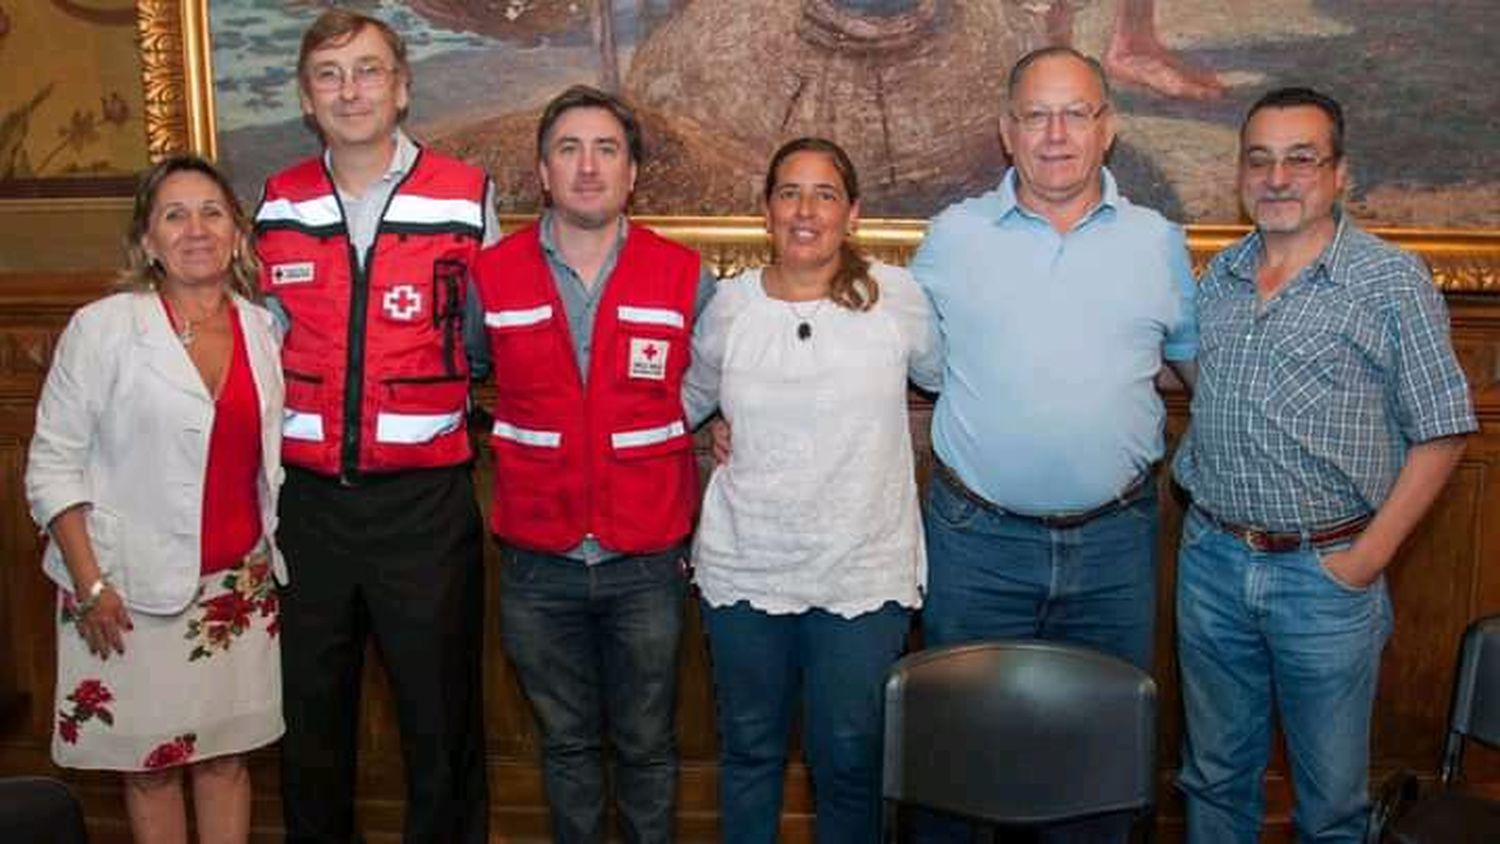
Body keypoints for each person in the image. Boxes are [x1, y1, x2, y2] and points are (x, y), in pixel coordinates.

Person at [1172, 86, 1476, 844]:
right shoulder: (1218, 279)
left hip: (1326, 576)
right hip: (1210, 559)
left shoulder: (1389, 280)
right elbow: (1202, 385)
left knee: (1331, 803)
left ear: (1341, 173)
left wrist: (1364, 561)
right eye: (1260, 160)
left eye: (1301, 159)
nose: (1278, 178)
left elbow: (1443, 431)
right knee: (1213, 781)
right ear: (1241, 174)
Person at [910, 46, 1196, 840]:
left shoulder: (1157, 243)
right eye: (1037, 115)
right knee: (958, 766)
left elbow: (1201, 379)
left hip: (1114, 548)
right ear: (1008, 132)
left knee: (1098, 770)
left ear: (1107, 127)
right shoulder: (951, 239)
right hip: (977, 547)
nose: (1056, 134)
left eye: (1076, 113)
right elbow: (879, 356)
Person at [252, 9, 499, 842]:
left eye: (367, 70)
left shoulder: (467, 196)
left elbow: (496, 340)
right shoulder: (276, 202)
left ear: (401, 88)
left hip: (424, 506)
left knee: (441, 720)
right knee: (311, 725)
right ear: (306, 95)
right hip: (307, 506)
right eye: (329, 73)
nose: (349, 89)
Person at [472, 84, 715, 844]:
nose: (587, 166)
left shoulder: (685, 276)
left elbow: (711, 381)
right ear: (543, 171)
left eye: (606, 149)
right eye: (569, 150)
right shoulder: (493, 275)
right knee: (567, 746)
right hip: (537, 563)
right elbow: (477, 369)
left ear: (632, 172)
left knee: (647, 746)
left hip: (643, 558)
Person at [683, 137, 941, 843]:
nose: (806, 210)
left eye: (825, 194)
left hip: (861, 574)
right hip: (746, 568)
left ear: (851, 213)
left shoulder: (896, 299)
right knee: (749, 752)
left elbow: (952, 384)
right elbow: (684, 403)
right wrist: (709, 433)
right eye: (789, 193)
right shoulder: (729, 307)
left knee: (851, 761)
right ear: (766, 212)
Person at [26, 153, 285, 844]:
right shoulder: (103, 328)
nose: (195, 229)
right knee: (150, 770)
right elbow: (52, 466)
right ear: (147, 240)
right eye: (174, 215)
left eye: (212, 212)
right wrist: (89, 582)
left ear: (237, 232)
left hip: (236, 589)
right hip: (122, 592)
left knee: (226, 762)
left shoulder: (262, 331)